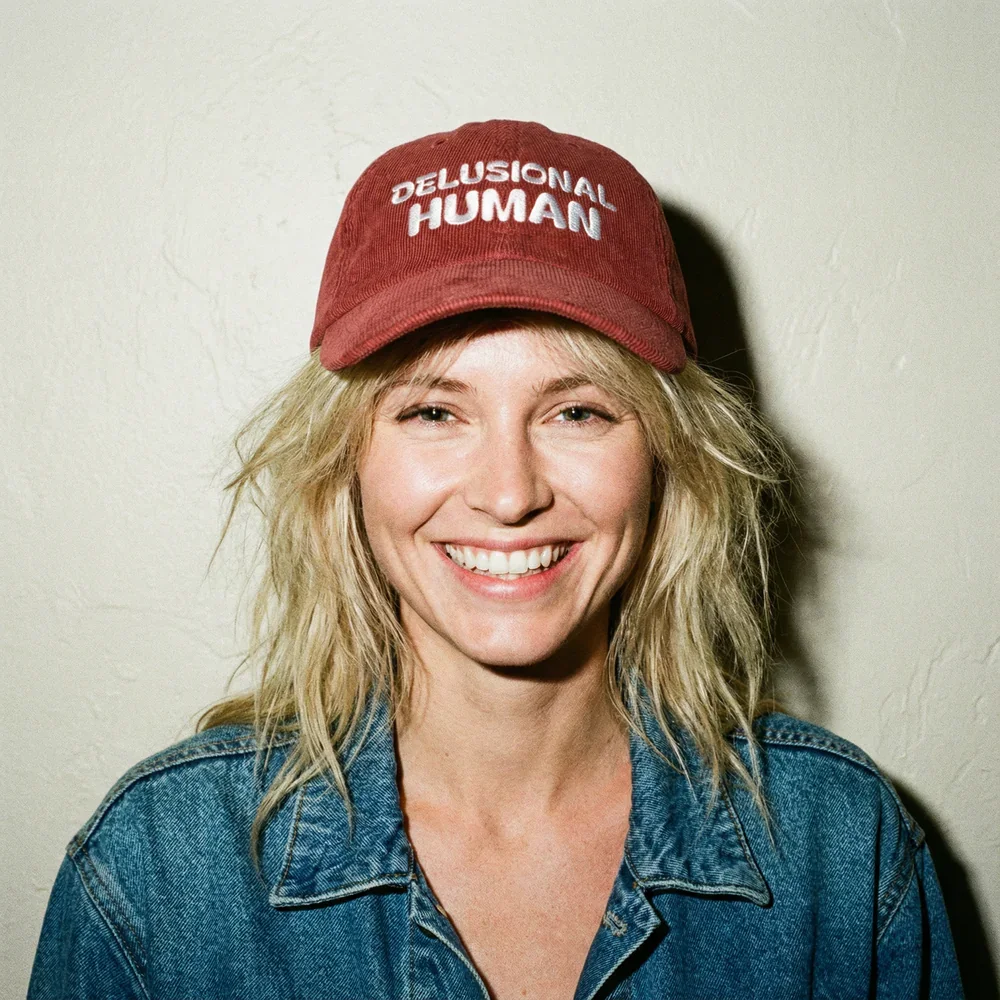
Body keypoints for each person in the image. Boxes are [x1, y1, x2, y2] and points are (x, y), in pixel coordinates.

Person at [28, 119, 962, 999]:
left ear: (669, 462)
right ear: (343, 464)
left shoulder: (842, 850)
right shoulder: (156, 872)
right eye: (434, 412)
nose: (509, 493)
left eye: (578, 412)